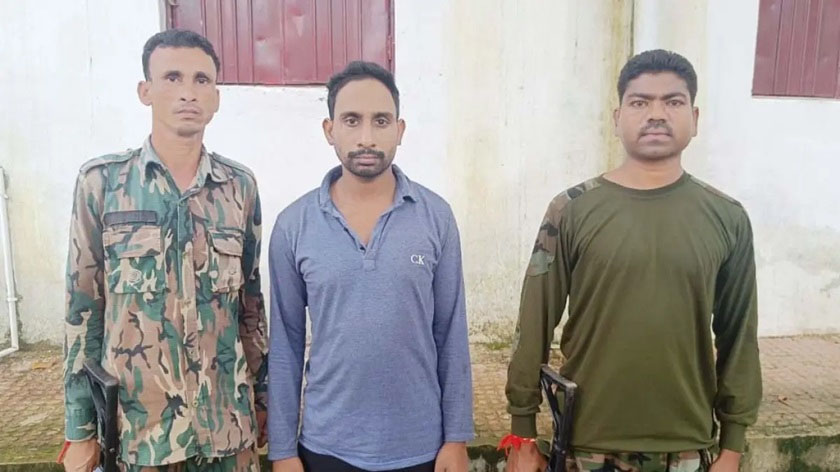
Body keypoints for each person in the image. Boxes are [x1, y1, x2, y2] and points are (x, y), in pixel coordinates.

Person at [504, 50, 762, 472]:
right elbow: (533, 323)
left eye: (673, 101)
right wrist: (523, 434)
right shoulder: (571, 210)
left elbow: (739, 337)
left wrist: (732, 447)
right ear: (617, 117)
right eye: (640, 102)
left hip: (686, 446)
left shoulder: (727, 218)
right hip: (586, 446)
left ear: (695, 118)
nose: (656, 114)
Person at [61, 29, 267, 472]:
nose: (188, 92)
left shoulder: (239, 188)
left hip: (227, 430)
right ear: (146, 91)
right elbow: (82, 311)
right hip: (139, 435)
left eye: (201, 80)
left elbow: (251, 307)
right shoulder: (103, 184)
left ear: (216, 98)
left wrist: (265, 402)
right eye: (172, 78)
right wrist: (79, 429)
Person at [267, 61, 474, 472]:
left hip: (421, 447)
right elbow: (285, 343)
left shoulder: (435, 217)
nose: (366, 137)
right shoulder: (294, 225)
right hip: (327, 446)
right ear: (329, 130)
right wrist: (283, 450)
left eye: (380, 121)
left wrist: (456, 438)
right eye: (351, 120)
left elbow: (451, 332)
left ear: (399, 129)